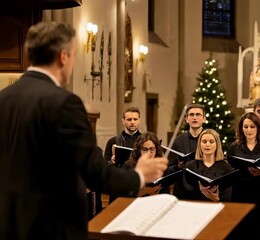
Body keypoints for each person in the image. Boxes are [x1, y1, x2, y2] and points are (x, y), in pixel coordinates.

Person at [0, 21, 168, 240]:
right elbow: (93, 172)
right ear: (63, 57)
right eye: (74, 56)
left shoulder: (3, 99)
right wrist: (139, 175)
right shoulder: (64, 103)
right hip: (52, 227)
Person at [227, 112, 260, 239]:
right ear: (241, 129)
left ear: (258, 128)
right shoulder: (234, 147)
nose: (249, 130)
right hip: (240, 192)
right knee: (242, 231)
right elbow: (230, 170)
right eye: (246, 127)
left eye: (252, 127)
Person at [182, 129, 235, 202]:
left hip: (218, 209)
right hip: (196, 208)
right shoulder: (190, 166)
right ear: (200, 144)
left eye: (211, 142)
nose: (207, 145)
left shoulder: (226, 168)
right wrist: (198, 189)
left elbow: (228, 196)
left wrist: (216, 199)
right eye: (204, 142)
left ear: (217, 145)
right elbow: (186, 193)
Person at [168, 103, 206, 199]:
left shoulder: (211, 139)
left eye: (198, 114)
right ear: (186, 119)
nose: (194, 117)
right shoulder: (178, 140)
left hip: (204, 190)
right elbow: (169, 167)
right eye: (191, 115)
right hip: (182, 190)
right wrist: (178, 166)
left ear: (204, 119)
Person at [122, 132, 171, 197]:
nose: (149, 153)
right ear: (139, 150)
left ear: (156, 149)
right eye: (145, 149)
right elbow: (123, 195)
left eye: (152, 149)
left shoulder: (161, 167)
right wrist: (145, 192)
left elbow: (166, 194)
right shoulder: (128, 166)